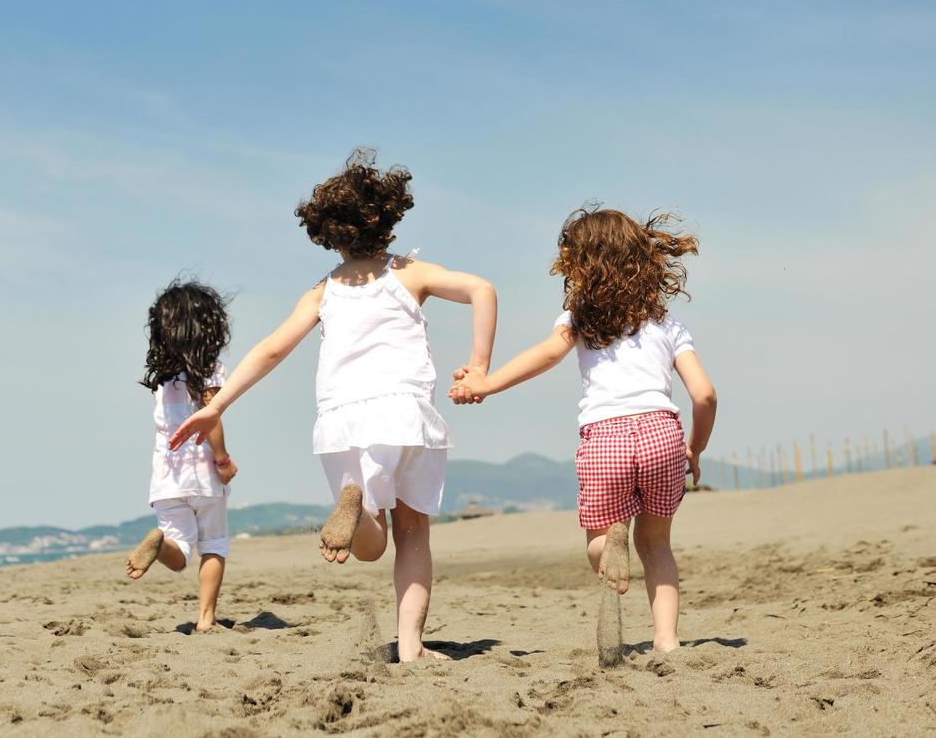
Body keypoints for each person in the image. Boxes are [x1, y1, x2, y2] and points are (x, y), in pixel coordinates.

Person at [170, 149, 496, 662]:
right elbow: (482, 288)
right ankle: (410, 647)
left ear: (327, 231)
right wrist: (479, 366)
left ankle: (356, 506)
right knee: (413, 533)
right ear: (388, 219)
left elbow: (274, 347)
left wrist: (219, 406)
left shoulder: (322, 291)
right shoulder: (410, 272)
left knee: (370, 543)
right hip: (404, 413)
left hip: (341, 421)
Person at [450, 206, 717, 656]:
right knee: (657, 545)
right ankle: (668, 641)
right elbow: (705, 395)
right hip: (662, 435)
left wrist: (486, 384)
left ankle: (612, 545)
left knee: (600, 537)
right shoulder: (668, 325)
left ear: (582, 267)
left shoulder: (579, 317)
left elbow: (545, 356)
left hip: (606, 436)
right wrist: (694, 447)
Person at [126, 281, 239, 634]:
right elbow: (211, 418)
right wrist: (222, 461)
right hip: (203, 473)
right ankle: (206, 618)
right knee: (213, 545)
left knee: (179, 550)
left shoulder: (162, 378)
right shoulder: (211, 369)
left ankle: (161, 546)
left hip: (166, 477)